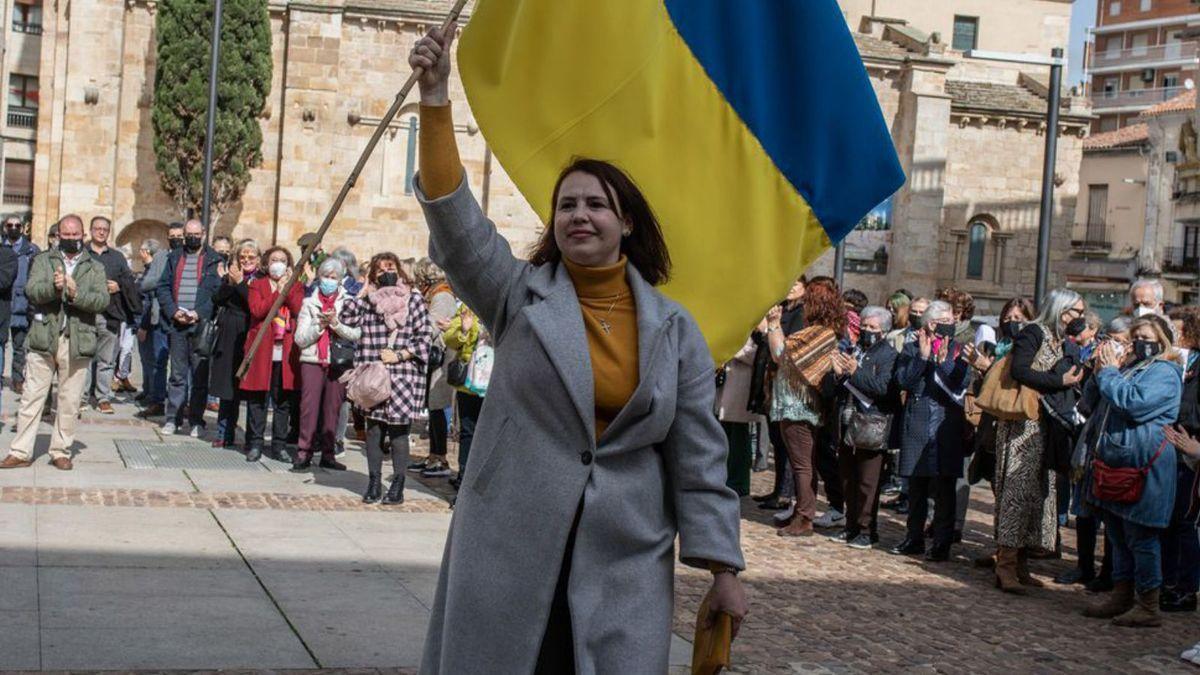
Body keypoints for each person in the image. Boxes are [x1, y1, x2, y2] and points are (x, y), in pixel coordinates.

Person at [410, 25, 746, 673]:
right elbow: (456, 224)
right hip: (508, 548)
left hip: (623, 561)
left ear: (627, 222)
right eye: (566, 205)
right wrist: (434, 97)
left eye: (596, 204)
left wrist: (724, 570)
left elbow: (699, 459)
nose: (579, 214)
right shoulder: (518, 296)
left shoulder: (673, 329)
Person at [1081, 315, 1182, 627]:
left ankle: (1148, 604)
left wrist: (1110, 373)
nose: (1140, 343)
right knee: (1118, 536)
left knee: (1141, 537)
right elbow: (1091, 404)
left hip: (1145, 465)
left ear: (1162, 341)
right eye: (1136, 337)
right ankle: (1121, 594)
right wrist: (1098, 371)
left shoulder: (1164, 372)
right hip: (1116, 462)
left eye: (1147, 338)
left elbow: (1132, 403)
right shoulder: (1131, 366)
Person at [992, 288, 1087, 592]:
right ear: (1061, 309)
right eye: (1076, 312)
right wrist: (1059, 380)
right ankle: (1005, 565)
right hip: (1023, 425)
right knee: (1016, 493)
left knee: (1037, 497)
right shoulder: (1033, 333)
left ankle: (1021, 563)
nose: (1080, 317)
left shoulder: (1064, 341)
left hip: (1048, 427)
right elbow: (1020, 370)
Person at [0, 215, 108, 470]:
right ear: (58, 236)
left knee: (69, 400)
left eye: (75, 234)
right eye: (66, 234)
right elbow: (32, 291)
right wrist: (54, 287)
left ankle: (60, 450)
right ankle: (20, 451)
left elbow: (102, 300)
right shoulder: (43, 260)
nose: (71, 239)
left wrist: (75, 293)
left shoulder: (95, 267)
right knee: (31, 397)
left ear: (83, 235)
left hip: (77, 340)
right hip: (43, 337)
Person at [340, 252, 430, 501]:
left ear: (399, 271)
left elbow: (424, 338)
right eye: (380, 270)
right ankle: (374, 483)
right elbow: (345, 316)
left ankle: (397, 486)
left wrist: (400, 355)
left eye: (390, 268)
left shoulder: (414, 299)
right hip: (374, 375)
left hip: (403, 375)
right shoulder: (369, 301)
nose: (386, 273)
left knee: (399, 432)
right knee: (374, 430)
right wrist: (361, 292)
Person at [889, 300, 971, 561]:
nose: (950, 325)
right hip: (918, 422)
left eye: (951, 321)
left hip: (947, 425)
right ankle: (913, 538)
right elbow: (903, 381)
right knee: (917, 488)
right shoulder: (913, 347)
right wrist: (923, 358)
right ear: (931, 324)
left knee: (945, 489)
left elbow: (963, 381)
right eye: (944, 321)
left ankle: (941, 543)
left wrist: (943, 361)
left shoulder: (958, 350)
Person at [768, 276, 845, 537]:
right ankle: (802, 512)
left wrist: (773, 324)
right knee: (804, 462)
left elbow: (779, 354)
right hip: (801, 405)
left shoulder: (817, 333)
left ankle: (804, 518)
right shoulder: (824, 331)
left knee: (802, 464)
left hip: (798, 406)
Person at [825, 305, 899, 550]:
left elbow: (882, 388)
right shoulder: (855, 349)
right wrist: (838, 374)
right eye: (864, 325)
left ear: (883, 330)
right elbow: (840, 386)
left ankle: (867, 529)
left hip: (872, 425)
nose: (867, 330)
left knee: (868, 482)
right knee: (848, 478)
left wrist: (855, 372)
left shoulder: (888, 354)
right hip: (847, 421)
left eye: (872, 327)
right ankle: (851, 526)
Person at [155, 219, 222, 436]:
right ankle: (173, 418)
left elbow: (217, 293)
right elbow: (162, 287)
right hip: (178, 324)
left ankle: (196, 420)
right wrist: (173, 311)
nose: (192, 238)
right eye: (189, 234)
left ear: (204, 234)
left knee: (200, 376)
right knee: (177, 375)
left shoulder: (214, 260)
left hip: (201, 326)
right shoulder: (174, 257)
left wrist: (198, 313)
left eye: (196, 234)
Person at [293, 256, 359, 471]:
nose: (329, 280)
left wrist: (336, 324)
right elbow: (300, 338)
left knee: (333, 409)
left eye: (333, 277)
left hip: (338, 361)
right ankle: (304, 452)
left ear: (340, 280)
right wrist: (319, 326)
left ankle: (329, 453)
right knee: (308, 408)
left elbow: (356, 334)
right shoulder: (309, 302)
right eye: (325, 276)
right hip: (313, 359)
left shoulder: (348, 302)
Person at [240, 245, 304, 462]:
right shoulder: (256, 285)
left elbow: (297, 308)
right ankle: (255, 443)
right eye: (274, 260)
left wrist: (287, 287)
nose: (278, 264)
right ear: (266, 264)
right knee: (258, 399)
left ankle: (279, 445)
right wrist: (278, 291)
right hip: (262, 349)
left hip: (285, 351)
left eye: (283, 261)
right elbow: (258, 310)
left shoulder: (296, 286)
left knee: (282, 401)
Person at [753, 278, 804, 518]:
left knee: (786, 443)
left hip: (785, 383)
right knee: (777, 440)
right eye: (790, 283)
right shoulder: (781, 308)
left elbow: (785, 348)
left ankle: (785, 493)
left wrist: (768, 329)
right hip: (769, 382)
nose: (791, 287)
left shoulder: (800, 314)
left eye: (797, 284)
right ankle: (778, 490)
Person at [1161, 307, 1200, 613]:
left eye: (1177, 331)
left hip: (1190, 451)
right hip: (1171, 448)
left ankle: (1186, 589)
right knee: (1170, 520)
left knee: (1186, 521)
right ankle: (1169, 581)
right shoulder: (1173, 361)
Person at [80, 217, 138, 414]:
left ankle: (103, 397)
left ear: (109, 232)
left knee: (106, 361)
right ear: (90, 230)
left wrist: (119, 286)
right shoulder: (82, 254)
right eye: (97, 228)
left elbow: (130, 283)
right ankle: (82, 397)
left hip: (109, 314)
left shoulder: (117, 257)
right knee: (84, 358)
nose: (101, 232)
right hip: (85, 314)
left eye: (105, 229)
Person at [208, 239, 260, 449]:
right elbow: (217, 299)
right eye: (242, 257)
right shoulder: (231, 276)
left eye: (251, 257)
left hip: (250, 331)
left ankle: (251, 437)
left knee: (250, 387)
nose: (246, 260)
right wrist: (230, 282)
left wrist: (240, 283)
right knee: (227, 387)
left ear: (258, 259)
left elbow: (254, 304)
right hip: (229, 333)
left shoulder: (260, 279)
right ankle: (224, 432)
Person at [409, 257, 456, 479]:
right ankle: (432, 456)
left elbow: (432, 327)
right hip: (435, 358)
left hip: (443, 360)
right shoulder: (434, 294)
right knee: (433, 408)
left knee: (438, 407)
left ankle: (440, 458)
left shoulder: (442, 296)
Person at [716, 333, 766, 496]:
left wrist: (732, 350)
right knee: (726, 437)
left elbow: (757, 355)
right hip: (728, 389)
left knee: (739, 439)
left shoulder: (756, 332)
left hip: (741, 390)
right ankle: (726, 477)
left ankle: (738, 482)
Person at [441, 302, 484, 488]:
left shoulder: (503, 306)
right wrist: (464, 331)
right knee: (467, 431)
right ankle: (463, 477)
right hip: (469, 382)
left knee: (488, 433)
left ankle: (481, 481)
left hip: (494, 383)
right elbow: (449, 338)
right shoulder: (469, 306)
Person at [328, 246, 361, 457]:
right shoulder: (324, 283)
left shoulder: (356, 288)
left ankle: (337, 438)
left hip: (345, 348)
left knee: (341, 398)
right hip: (324, 345)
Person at [3, 214, 38, 396]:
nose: (14, 228)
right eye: (10, 225)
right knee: (1, 343)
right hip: (3, 302)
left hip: (22, 304)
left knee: (19, 346)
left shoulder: (31, 250)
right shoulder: (1, 248)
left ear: (23, 228)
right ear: (5, 228)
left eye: (17, 225)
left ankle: (18, 378)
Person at [135, 238, 168, 418]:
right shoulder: (152, 268)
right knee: (151, 360)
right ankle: (151, 393)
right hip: (151, 319)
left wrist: (144, 325)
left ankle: (156, 397)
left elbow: (148, 296)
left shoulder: (156, 268)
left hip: (155, 320)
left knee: (155, 361)